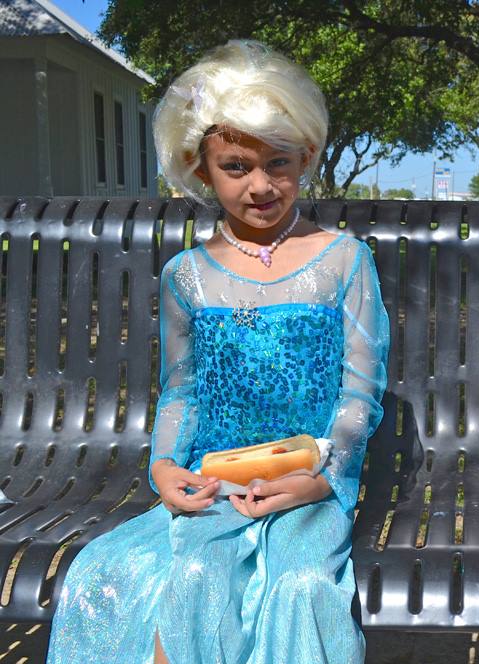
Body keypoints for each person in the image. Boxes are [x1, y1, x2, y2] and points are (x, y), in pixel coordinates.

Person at [46, 40, 389, 663]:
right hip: (215, 479)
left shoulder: (343, 259)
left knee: (300, 587)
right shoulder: (187, 275)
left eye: (278, 162)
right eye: (236, 166)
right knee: (178, 579)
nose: (261, 185)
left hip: (308, 482)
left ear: (307, 156)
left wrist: (323, 477)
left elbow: (359, 389)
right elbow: (182, 389)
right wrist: (164, 467)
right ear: (200, 168)